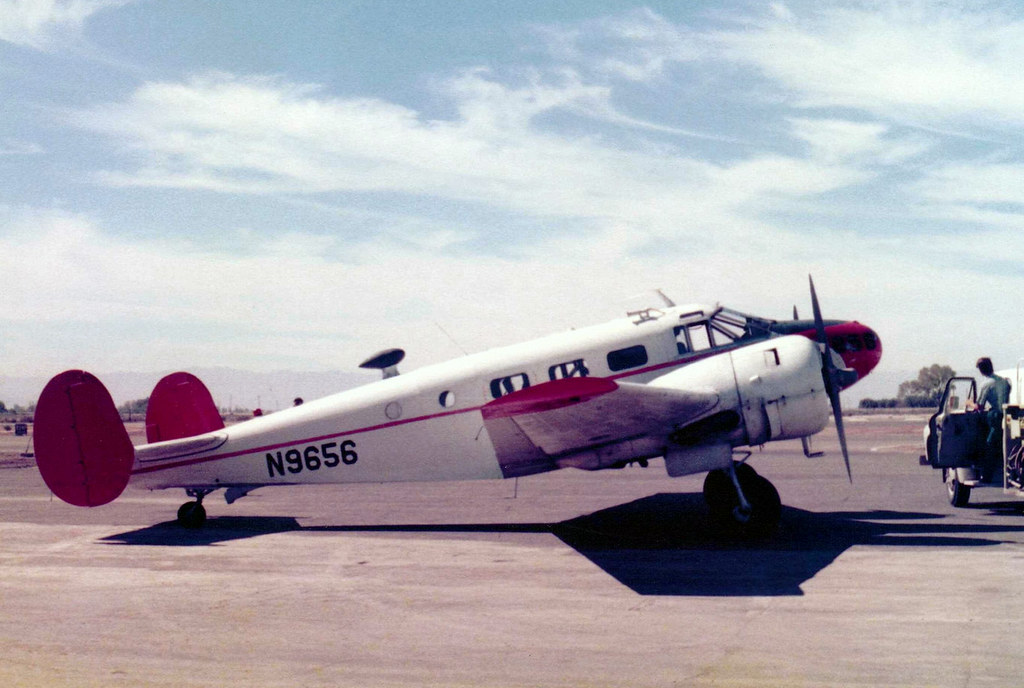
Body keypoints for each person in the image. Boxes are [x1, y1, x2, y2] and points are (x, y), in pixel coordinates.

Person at [973, 357, 1011, 445]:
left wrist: (969, 403)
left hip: (996, 418)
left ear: (981, 370)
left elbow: (979, 407)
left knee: (990, 444)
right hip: (1006, 415)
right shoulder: (1004, 381)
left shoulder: (986, 384)